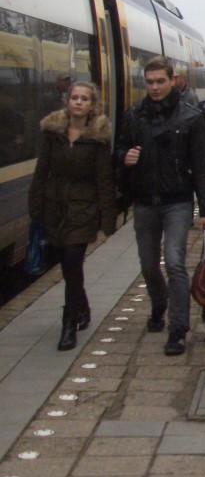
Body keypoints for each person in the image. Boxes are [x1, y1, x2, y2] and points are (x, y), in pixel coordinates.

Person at [115, 56, 205, 356]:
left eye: (160, 81)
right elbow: (120, 147)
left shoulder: (190, 117)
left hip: (177, 203)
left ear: (173, 81)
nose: (155, 87)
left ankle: (178, 329)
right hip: (144, 203)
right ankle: (159, 304)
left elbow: (201, 167)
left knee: (174, 261)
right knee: (148, 266)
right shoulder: (134, 116)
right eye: (150, 82)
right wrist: (124, 157)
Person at [28, 81, 117, 351]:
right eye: (74, 98)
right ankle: (84, 305)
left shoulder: (98, 137)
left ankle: (69, 325)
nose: (78, 102)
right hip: (55, 208)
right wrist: (36, 209)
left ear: (92, 105)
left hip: (83, 209)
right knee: (69, 268)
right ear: (68, 101)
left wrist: (108, 217)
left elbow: (104, 178)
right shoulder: (53, 133)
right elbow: (41, 171)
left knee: (72, 260)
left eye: (84, 99)